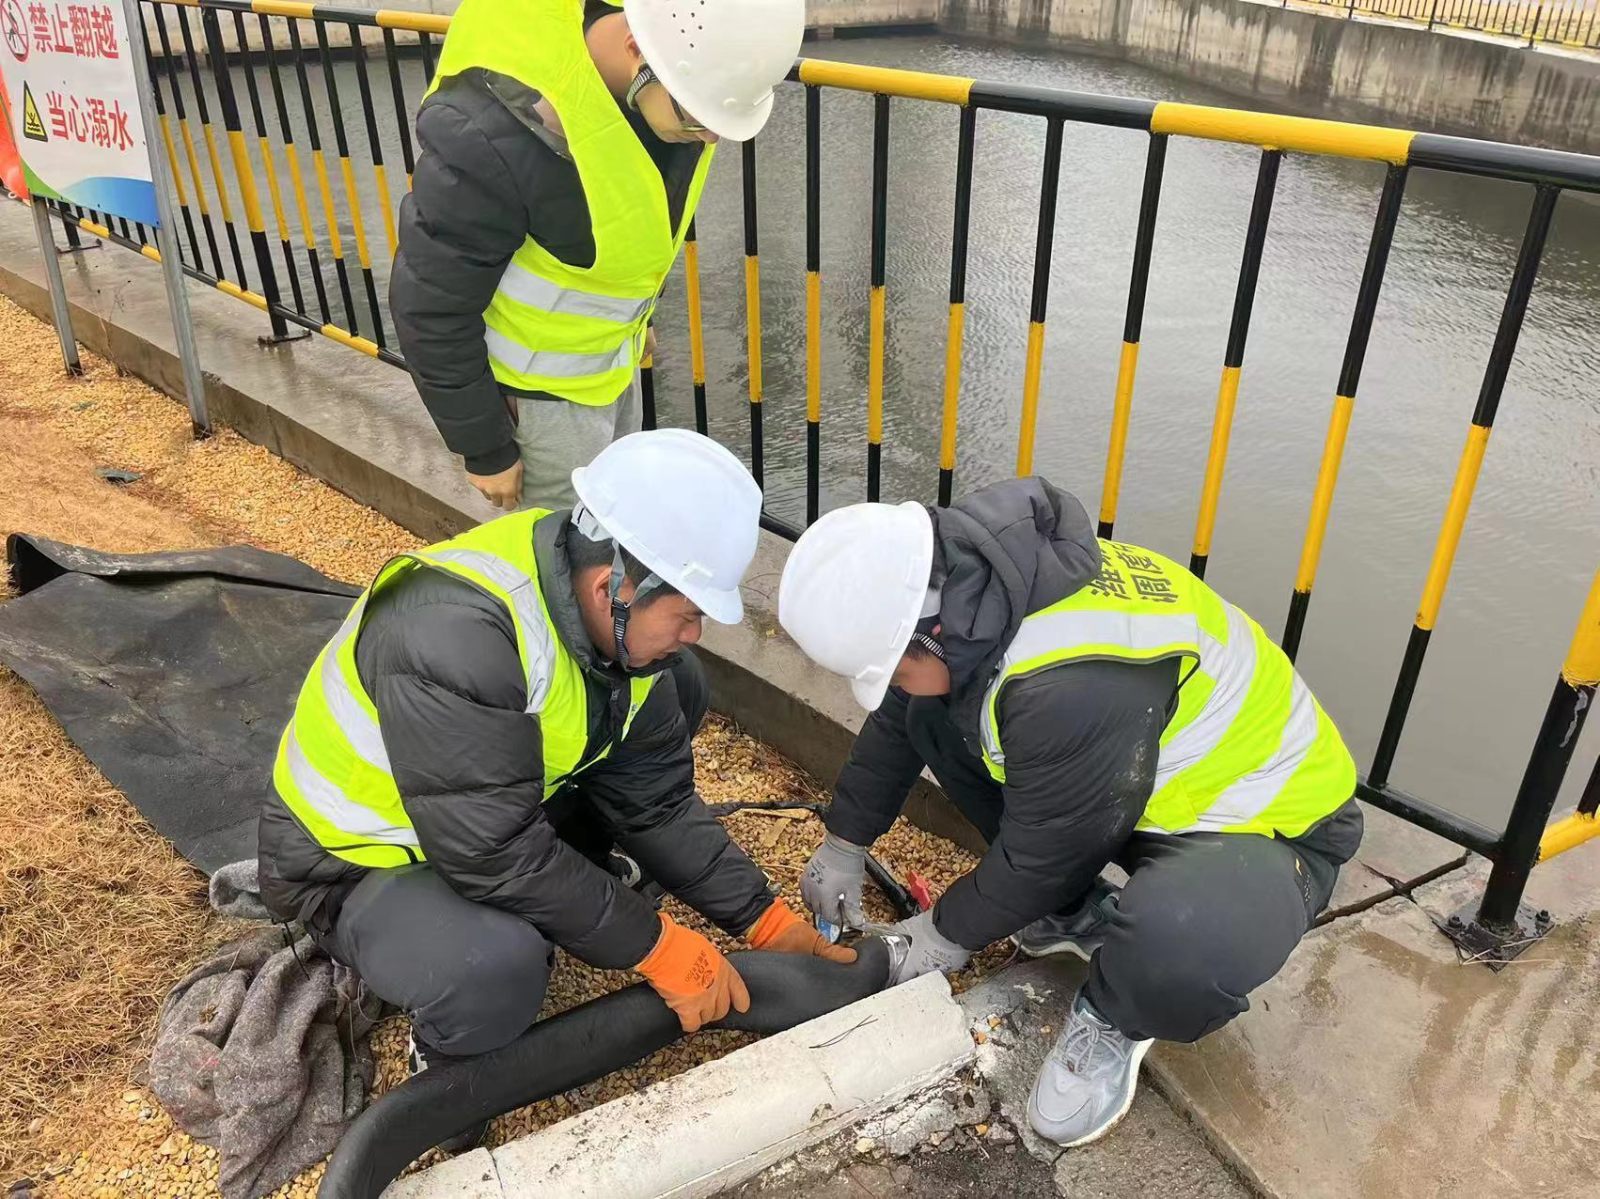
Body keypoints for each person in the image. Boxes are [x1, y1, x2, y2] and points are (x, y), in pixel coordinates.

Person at [257, 429, 852, 1151]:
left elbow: (658, 804)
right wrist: (657, 946)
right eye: (689, 612)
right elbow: (493, 852)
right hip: (351, 862)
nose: (696, 631)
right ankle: (444, 1068)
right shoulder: (454, 636)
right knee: (496, 965)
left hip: (476, 814)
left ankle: (570, 890)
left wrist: (764, 921)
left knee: (680, 687)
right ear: (614, 590)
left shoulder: (598, 611)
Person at [778, 477, 1364, 1149]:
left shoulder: (1065, 682)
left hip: (1264, 823)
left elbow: (1048, 850)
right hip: (1133, 787)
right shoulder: (978, 589)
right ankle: (1071, 913)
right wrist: (846, 838)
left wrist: (943, 932)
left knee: (1181, 942)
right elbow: (901, 716)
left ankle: (1116, 1016)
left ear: (931, 634)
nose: (892, 686)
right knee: (932, 716)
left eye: (894, 669)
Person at [391, 0, 804, 512]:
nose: (711, 134)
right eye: (698, 115)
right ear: (637, 50)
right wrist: (486, 448)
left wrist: (638, 321)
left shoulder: (669, 91)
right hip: (536, 404)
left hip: (612, 369)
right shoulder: (494, 129)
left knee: (611, 522)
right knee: (554, 549)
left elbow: (627, 223)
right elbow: (430, 304)